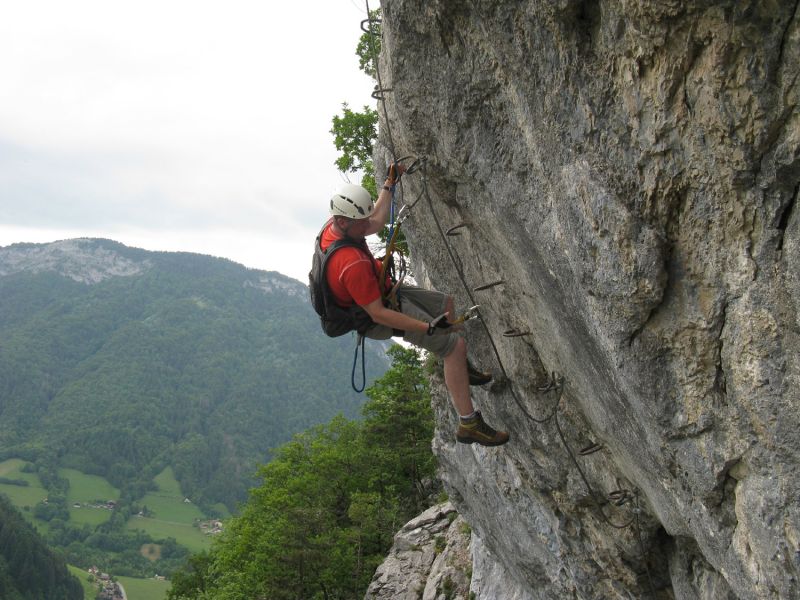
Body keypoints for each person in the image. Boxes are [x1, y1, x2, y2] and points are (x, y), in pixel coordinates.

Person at [319, 169, 509, 447]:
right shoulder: (350, 262)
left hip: (382, 287)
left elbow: (376, 221)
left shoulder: (338, 226)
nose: (367, 226)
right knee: (452, 346)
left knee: (445, 302)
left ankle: (461, 370)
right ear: (342, 222)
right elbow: (378, 314)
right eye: (361, 224)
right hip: (376, 313)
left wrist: (388, 185)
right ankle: (469, 424)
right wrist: (428, 327)